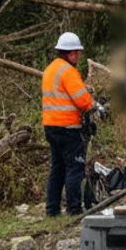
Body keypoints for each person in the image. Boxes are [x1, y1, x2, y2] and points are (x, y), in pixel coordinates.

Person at [42, 32, 97, 216]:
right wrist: (95, 106)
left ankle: (52, 209)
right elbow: (82, 100)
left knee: (57, 169)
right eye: (76, 52)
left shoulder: (50, 69)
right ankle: (74, 209)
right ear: (69, 53)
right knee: (75, 167)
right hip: (67, 128)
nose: (78, 56)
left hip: (50, 126)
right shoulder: (68, 71)